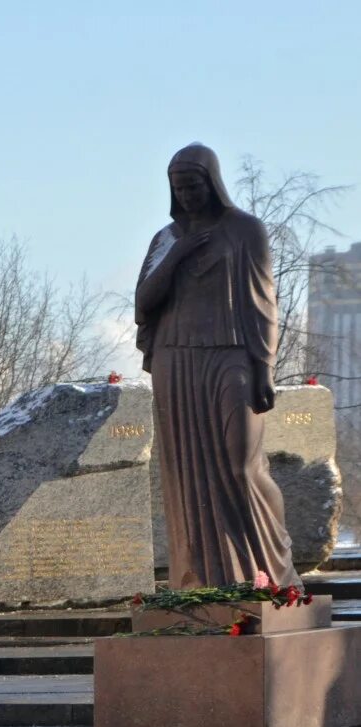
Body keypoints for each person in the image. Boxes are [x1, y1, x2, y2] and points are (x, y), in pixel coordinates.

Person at [135, 143, 297, 588]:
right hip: (176, 359)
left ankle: (273, 570)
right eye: (178, 188)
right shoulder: (166, 239)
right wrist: (180, 253)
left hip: (231, 356)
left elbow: (262, 301)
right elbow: (144, 303)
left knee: (240, 463)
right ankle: (203, 579)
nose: (186, 195)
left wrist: (264, 365)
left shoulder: (245, 229)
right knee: (187, 471)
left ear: (212, 182)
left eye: (193, 185)